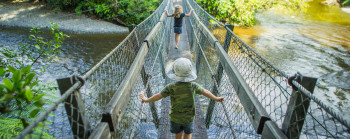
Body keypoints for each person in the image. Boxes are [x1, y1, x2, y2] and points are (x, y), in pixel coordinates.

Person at [139, 58, 224, 139]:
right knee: (188, 133)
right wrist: (216, 98)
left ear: (174, 72)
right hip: (189, 118)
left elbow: (159, 96)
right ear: (190, 72)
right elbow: (206, 92)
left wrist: (146, 99)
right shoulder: (194, 86)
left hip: (175, 118)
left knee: (178, 133)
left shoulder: (171, 87)